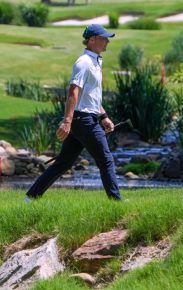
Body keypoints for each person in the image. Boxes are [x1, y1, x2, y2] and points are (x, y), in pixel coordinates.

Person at [25, 24, 122, 201]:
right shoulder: (83, 62)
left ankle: (30, 197)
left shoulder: (95, 61)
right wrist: (67, 121)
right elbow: (73, 92)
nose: (107, 41)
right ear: (92, 40)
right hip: (83, 121)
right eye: (104, 38)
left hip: (86, 119)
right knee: (106, 160)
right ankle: (116, 202)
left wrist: (104, 117)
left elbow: (90, 97)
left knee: (63, 163)